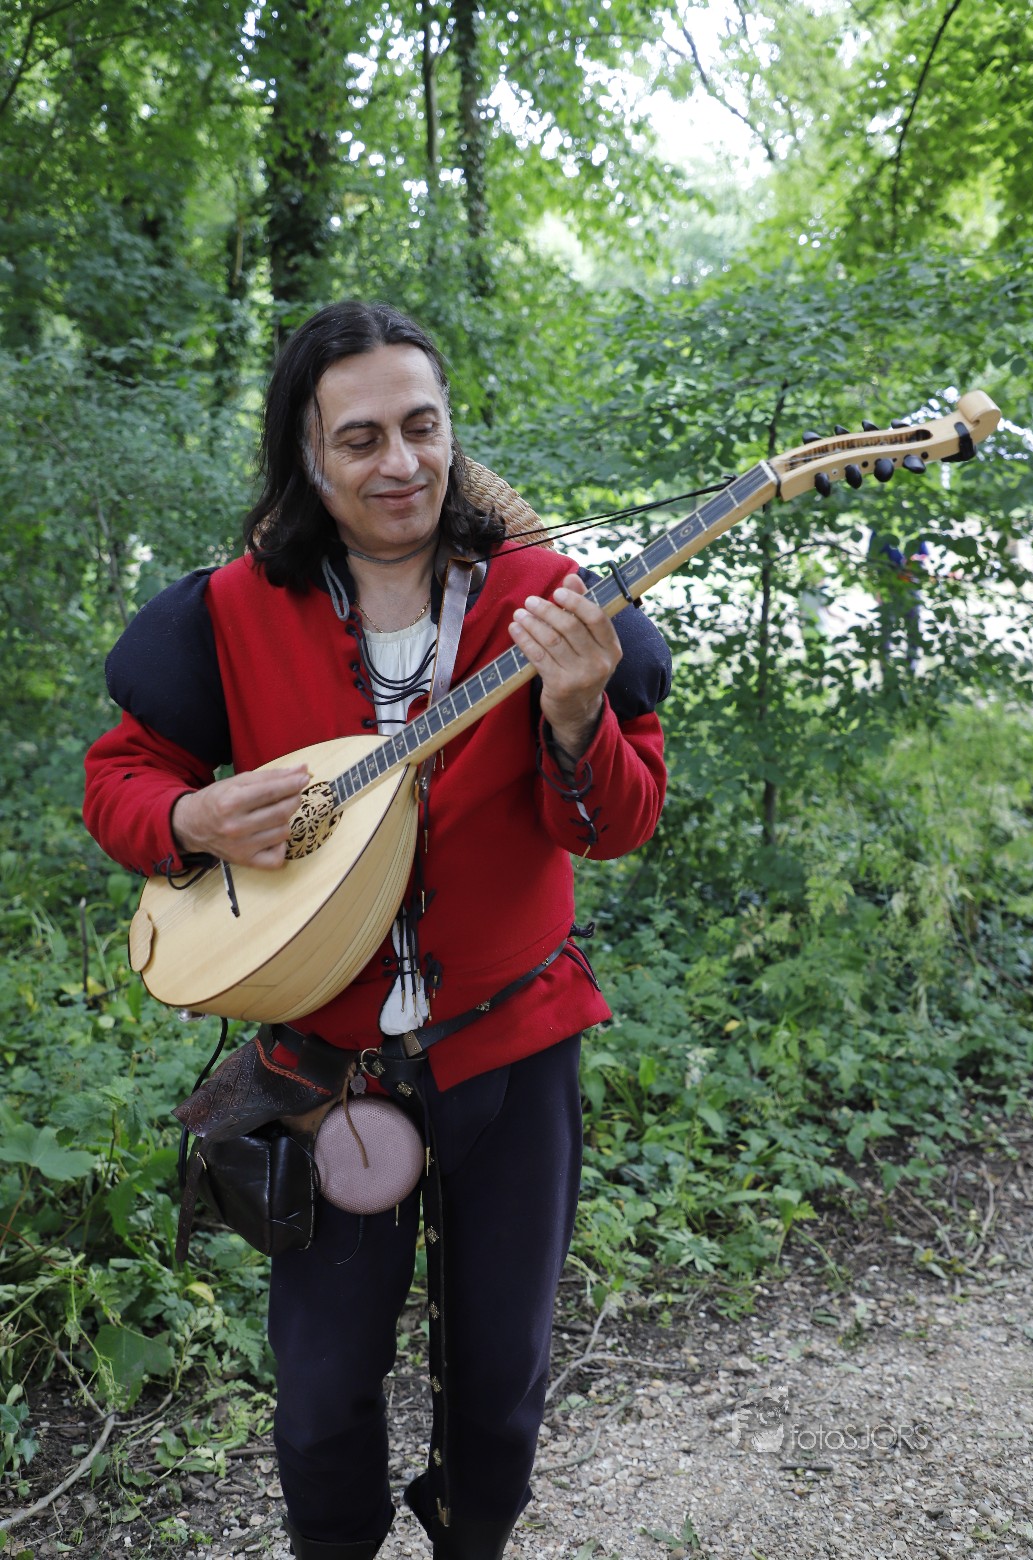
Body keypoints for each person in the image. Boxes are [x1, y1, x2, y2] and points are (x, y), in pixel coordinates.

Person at [83, 302, 671, 1560]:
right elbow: (118, 779)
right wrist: (188, 815)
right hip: (325, 1068)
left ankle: (470, 1539)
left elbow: (618, 824)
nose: (399, 463)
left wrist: (576, 717)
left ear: (453, 434)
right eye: (359, 439)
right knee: (317, 1403)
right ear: (306, 457)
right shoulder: (232, 611)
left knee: (500, 1389)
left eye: (422, 427)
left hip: (509, 1048)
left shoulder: (544, 602)